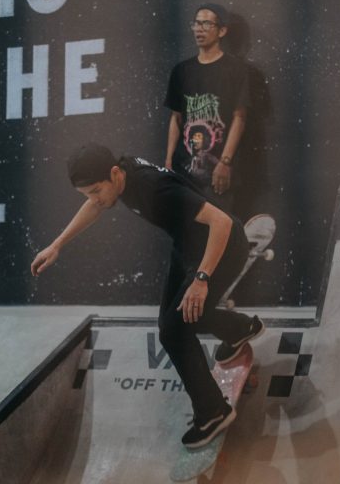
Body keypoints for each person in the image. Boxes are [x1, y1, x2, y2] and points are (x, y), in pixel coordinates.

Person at [31, 143, 264, 448]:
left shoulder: (155, 188)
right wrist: (57, 245)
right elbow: (95, 205)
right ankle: (240, 329)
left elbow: (221, 222)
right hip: (188, 247)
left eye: (96, 191)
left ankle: (213, 412)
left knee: (175, 331)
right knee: (176, 318)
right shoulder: (119, 175)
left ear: (115, 174)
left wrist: (202, 279)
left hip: (223, 247)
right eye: (87, 194)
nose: (95, 199)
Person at [164, 3, 250, 213]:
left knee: (219, 227)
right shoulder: (181, 71)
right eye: (196, 23)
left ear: (222, 31)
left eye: (206, 24)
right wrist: (168, 162)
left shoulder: (236, 69)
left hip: (217, 174)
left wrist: (225, 162)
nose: (199, 29)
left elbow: (240, 118)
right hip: (183, 172)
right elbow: (176, 118)